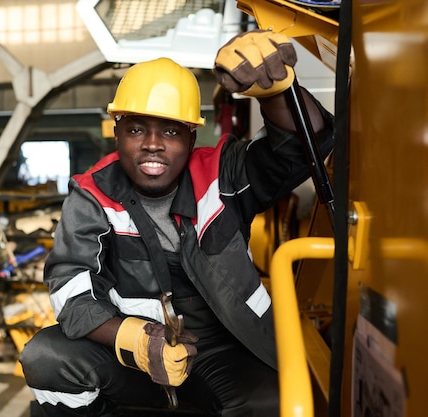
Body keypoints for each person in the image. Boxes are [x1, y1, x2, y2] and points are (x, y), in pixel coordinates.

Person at [19, 29, 334, 416]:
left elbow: (302, 149)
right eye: (136, 129)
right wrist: (135, 340)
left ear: (191, 134)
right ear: (116, 132)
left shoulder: (222, 175)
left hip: (225, 348)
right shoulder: (91, 196)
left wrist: (276, 91)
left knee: (274, 402)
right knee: (46, 356)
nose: (153, 143)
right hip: (132, 352)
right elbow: (72, 291)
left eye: (170, 130)